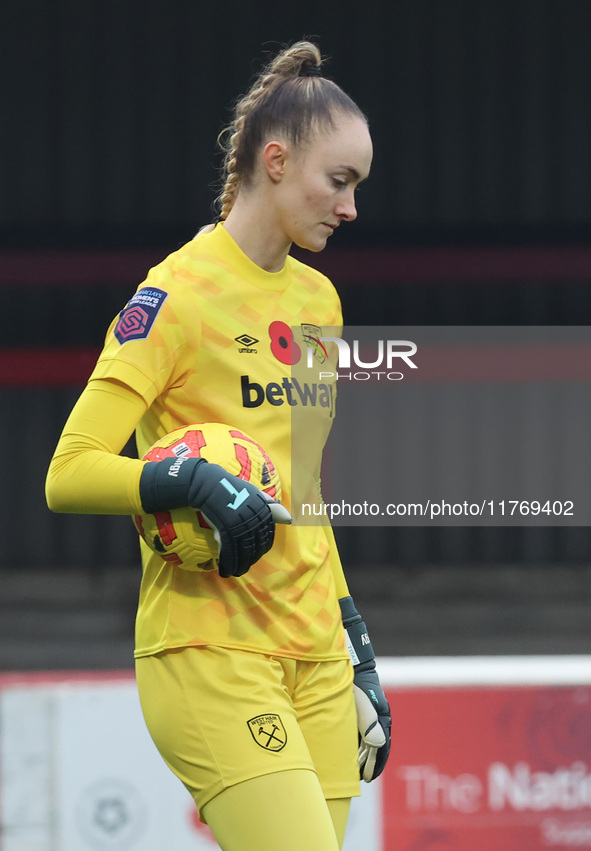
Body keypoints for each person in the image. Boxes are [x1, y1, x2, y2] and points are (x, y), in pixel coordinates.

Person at [46, 41, 391, 851]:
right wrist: (188, 479)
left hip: (314, 658)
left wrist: (356, 643)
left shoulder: (319, 301)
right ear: (275, 161)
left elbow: (304, 489)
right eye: (338, 182)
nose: (349, 209)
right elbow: (68, 473)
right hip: (211, 653)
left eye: (356, 188)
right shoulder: (174, 298)